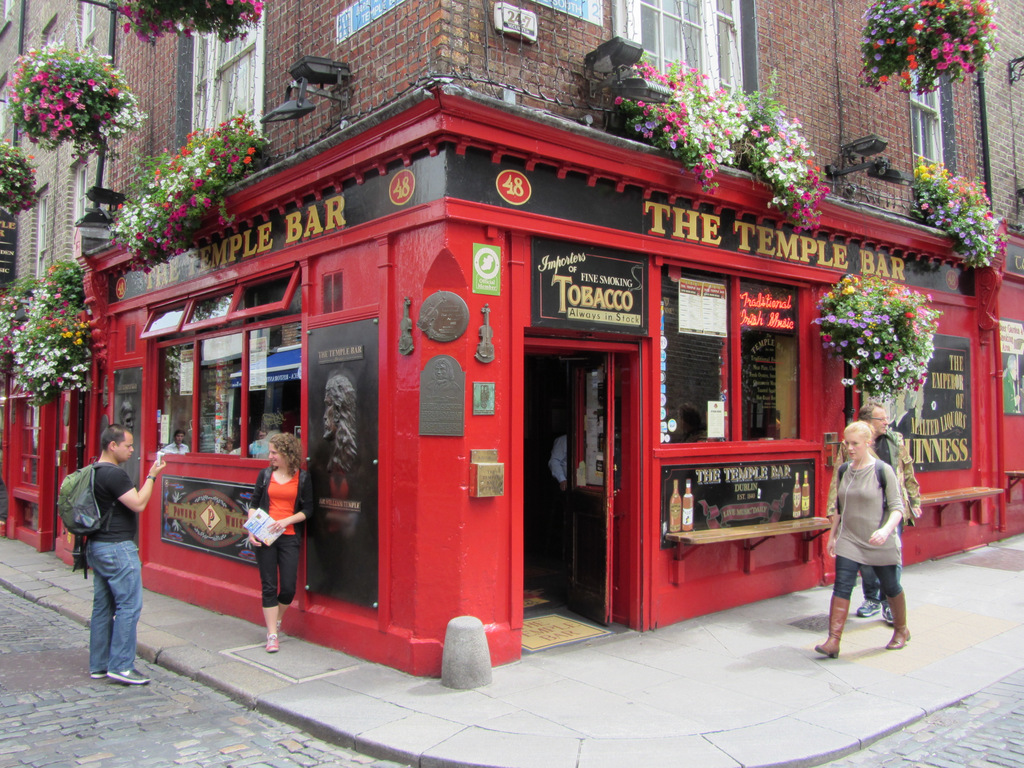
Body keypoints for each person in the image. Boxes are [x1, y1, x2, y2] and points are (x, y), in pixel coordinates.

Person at [815, 421, 909, 659]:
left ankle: (901, 629)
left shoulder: (882, 470)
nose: (849, 448)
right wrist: (833, 535)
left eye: (855, 443)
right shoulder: (844, 470)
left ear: (868, 443)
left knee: (890, 587)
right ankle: (833, 640)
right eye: (847, 443)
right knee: (842, 585)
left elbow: (897, 508)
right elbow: (839, 506)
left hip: (879, 539)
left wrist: (886, 531)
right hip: (850, 538)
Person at [827, 401, 922, 624]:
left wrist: (914, 497)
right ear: (868, 423)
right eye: (881, 418)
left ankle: (890, 606)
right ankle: (871, 599)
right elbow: (838, 476)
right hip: (861, 508)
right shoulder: (849, 444)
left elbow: (907, 468)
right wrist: (833, 508)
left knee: (890, 558)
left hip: (890, 509)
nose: (886, 422)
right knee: (865, 561)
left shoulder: (895, 441)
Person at [88, 424, 165, 685]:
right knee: (129, 606)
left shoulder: (93, 470)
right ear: (113, 445)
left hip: (97, 546)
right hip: (118, 548)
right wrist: (152, 477)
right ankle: (121, 665)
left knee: (102, 607)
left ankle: (99, 664)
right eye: (128, 445)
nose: (132, 450)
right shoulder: (114, 474)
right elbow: (139, 503)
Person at [247, 432, 312, 653]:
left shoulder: (302, 478)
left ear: (286, 453)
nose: (270, 456)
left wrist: (286, 520)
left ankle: (276, 620)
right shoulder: (265, 475)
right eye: (270, 452)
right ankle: (272, 634)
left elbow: (308, 510)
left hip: (289, 536)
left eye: (274, 452)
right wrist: (251, 530)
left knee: (288, 588)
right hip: (265, 536)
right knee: (269, 585)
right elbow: (254, 504)